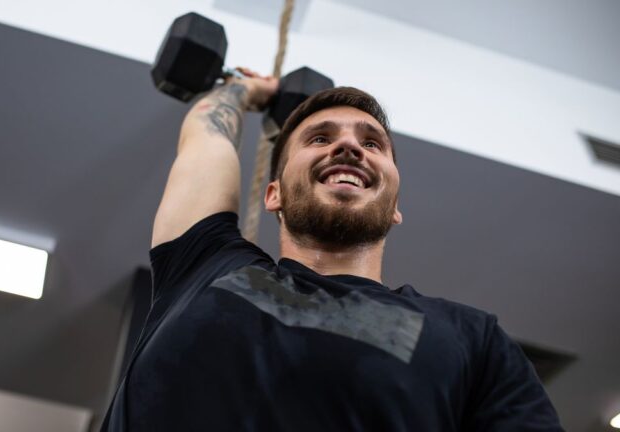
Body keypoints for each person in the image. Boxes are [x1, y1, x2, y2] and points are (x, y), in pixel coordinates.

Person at [101, 68, 563, 431]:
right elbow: (206, 137)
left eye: (372, 143)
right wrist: (243, 90)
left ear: (395, 207)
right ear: (274, 193)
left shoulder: (472, 339)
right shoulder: (204, 262)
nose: (348, 146)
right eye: (320, 137)